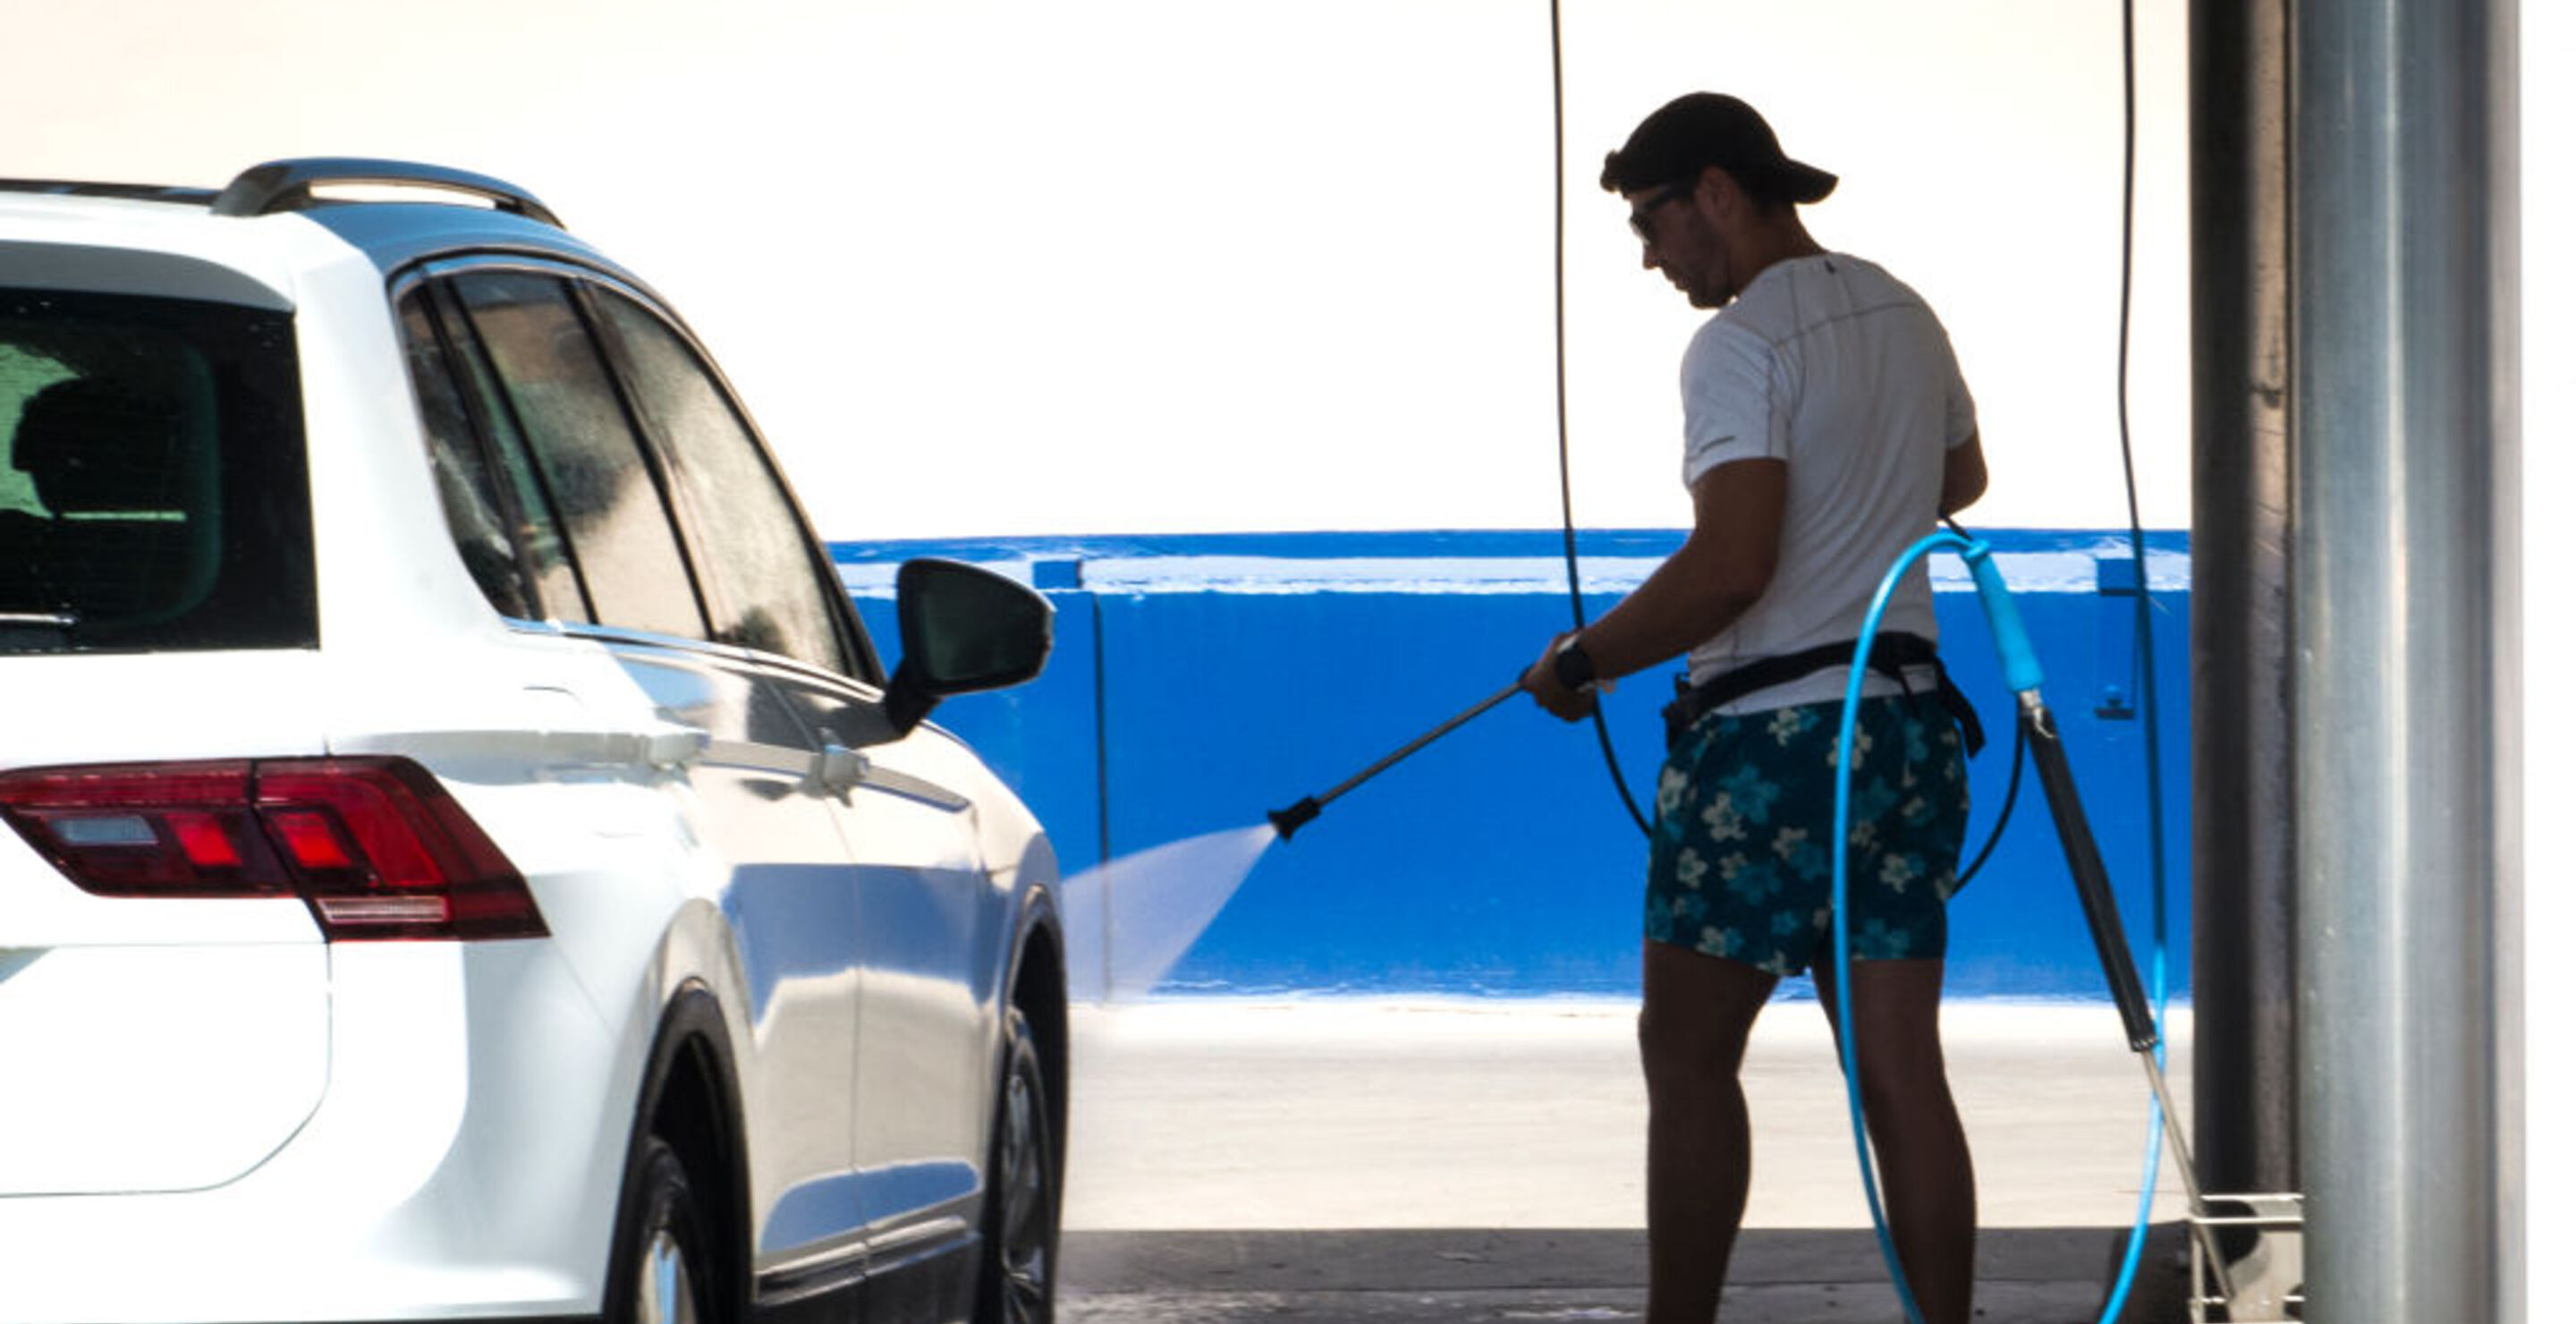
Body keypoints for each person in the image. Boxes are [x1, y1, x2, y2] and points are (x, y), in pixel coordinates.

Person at [1520, 92, 1988, 1324]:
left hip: (1772, 745)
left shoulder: (1737, 346)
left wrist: (1581, 662)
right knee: (1899, 1073)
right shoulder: (1901, 308)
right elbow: (1962, 476)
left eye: (1651, 221)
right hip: (1906, 736)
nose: (1649, 253)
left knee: (1685, 1058)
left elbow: (1732, 566)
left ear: (1716, 192)